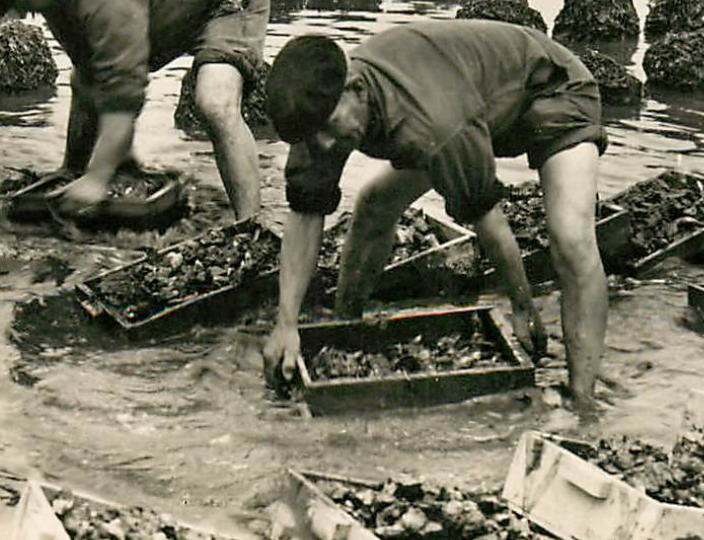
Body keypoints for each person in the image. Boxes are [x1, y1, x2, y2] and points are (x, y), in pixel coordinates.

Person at [260, 20, 609, 404]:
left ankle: (583, 401)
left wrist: (521, 304)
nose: (323, 145)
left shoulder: (433, 122)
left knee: (570, 240)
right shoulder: (315, 115)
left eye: (328, 128)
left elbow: (488, 221)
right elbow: (305, 214)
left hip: (552, 90)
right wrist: (287, 323)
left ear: (356, 88)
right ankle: (346, 325)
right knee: (375, 205)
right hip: (472, 101)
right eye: (312, 137)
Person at [0, 0, 268, 221]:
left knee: (214, 103)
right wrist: (74, 173)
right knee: (90, 82)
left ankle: (249, 227)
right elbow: (91, 79)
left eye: (23, 1)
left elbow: (124, 93)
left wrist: (98, 177)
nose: (26, 14)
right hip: (172, 9)